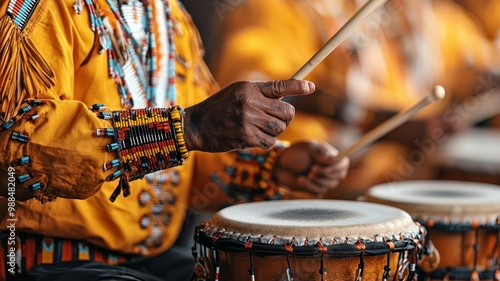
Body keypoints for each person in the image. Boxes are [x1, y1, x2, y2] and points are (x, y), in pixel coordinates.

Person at [0, 1, 350, 280]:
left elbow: (193, 164)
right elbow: (13, 148)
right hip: (44, 258)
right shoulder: (33, 8)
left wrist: (274, 167)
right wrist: (188, 126)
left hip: (155, 259)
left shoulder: (169, 17)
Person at [208, 0, 499, 199]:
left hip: (401, 194)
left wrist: (484, 80)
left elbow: (475, 63)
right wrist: (380, 122)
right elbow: (252, 93)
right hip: (303, 196)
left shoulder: (415, 13)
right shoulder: (274, 9)